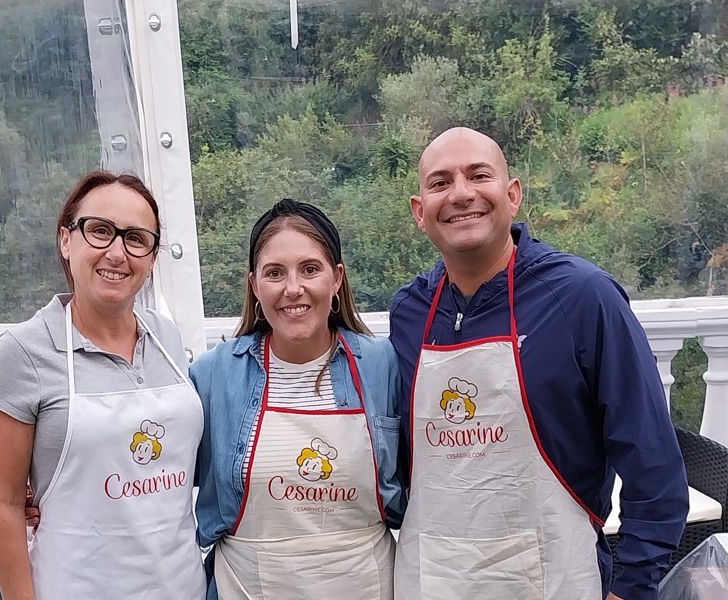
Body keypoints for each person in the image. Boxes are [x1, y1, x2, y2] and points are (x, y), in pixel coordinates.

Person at [390, 127, 688, 600]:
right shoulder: (410, 312)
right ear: (419, 211)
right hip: (432, 579)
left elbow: (651, 457)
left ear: (513, 195)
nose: (461, 194)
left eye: (478, 175)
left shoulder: (583, 297)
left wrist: (633, 583)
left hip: (556, 577)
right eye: (440, 182)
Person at [0, 171, 207, 600]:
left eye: (136, 238)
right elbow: (2, 505)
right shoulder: (23, 353)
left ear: (152, 257)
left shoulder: (166, 338)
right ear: (66, 240)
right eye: (100, 231)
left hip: (182, 587)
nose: (117, 253)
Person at [190, 199, 404, 600]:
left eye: (309, 269)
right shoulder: (212, 376)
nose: (293, 289)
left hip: (365, 586)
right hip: (247, 588)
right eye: (275, 273)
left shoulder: (383, 366)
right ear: (254, 285)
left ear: (336, 278)